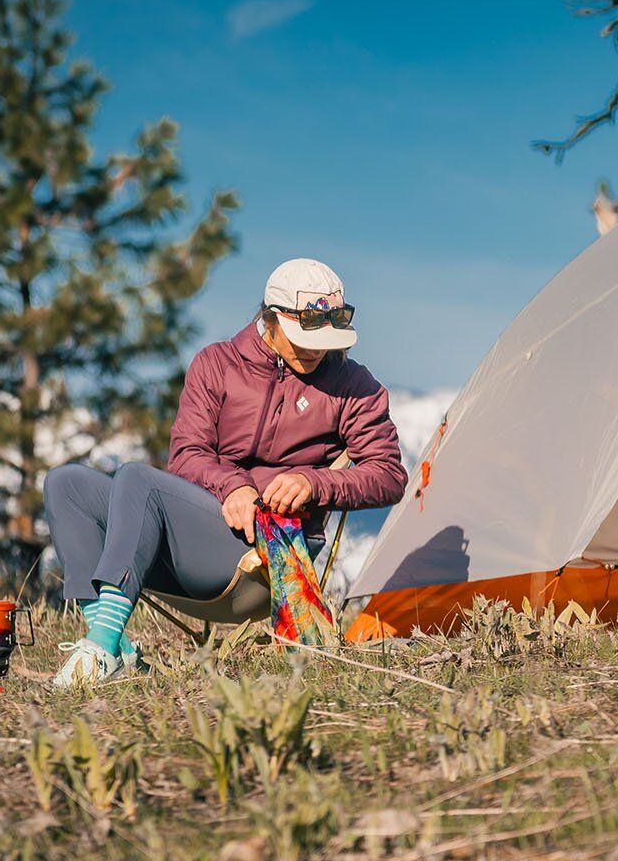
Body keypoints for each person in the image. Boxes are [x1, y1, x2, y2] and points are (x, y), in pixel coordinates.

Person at [42, 258, 407, 686]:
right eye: (304, 337)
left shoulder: (353, 386)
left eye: (326, 338)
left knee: (138, 478)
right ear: (271, 317)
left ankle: (100, 648)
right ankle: (110, 648)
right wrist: (233, 487)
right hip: (201, 530)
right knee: (66, 484)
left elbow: (388, 475)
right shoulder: (216, 365)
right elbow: (187, 455)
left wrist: (313, 483)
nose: (316, 350)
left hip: (266, 559)